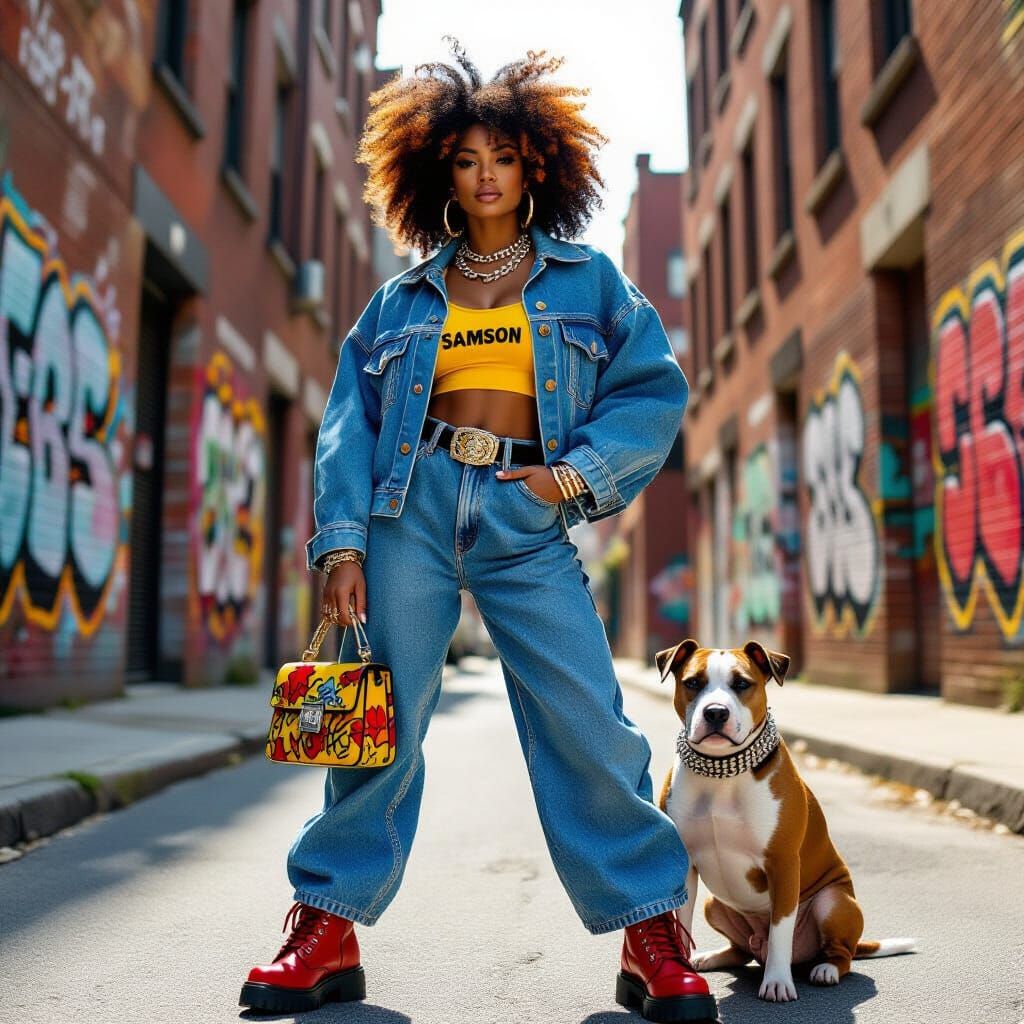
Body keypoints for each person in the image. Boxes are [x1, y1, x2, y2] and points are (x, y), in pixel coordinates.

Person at [240, 37, 719, 1024]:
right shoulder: (399, 301)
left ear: (533, 163)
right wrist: (340, 543)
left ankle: (650, 927)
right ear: (438, 173)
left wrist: (568, 476)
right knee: (370, 718)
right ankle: (324, 921)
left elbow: (651, 392)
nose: (486, 175)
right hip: (405, 512)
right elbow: (348, 420)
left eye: (503, 156)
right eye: (466, 158)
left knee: (589, 718)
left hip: (523, 513)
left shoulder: (590, 285)